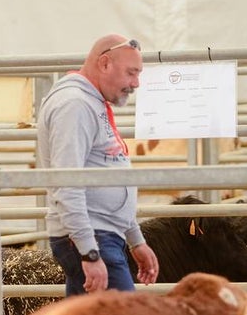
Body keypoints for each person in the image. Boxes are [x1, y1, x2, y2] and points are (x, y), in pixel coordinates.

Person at [35, 33, 159, 295]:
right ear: (104, 63)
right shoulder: (75, 105)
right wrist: (89, 252)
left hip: (98, 236)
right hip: (92, 237)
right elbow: (67, 182)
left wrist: (135, 239)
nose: (136, 83)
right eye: (131, 73)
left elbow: (107, 170)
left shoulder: (90, 103)